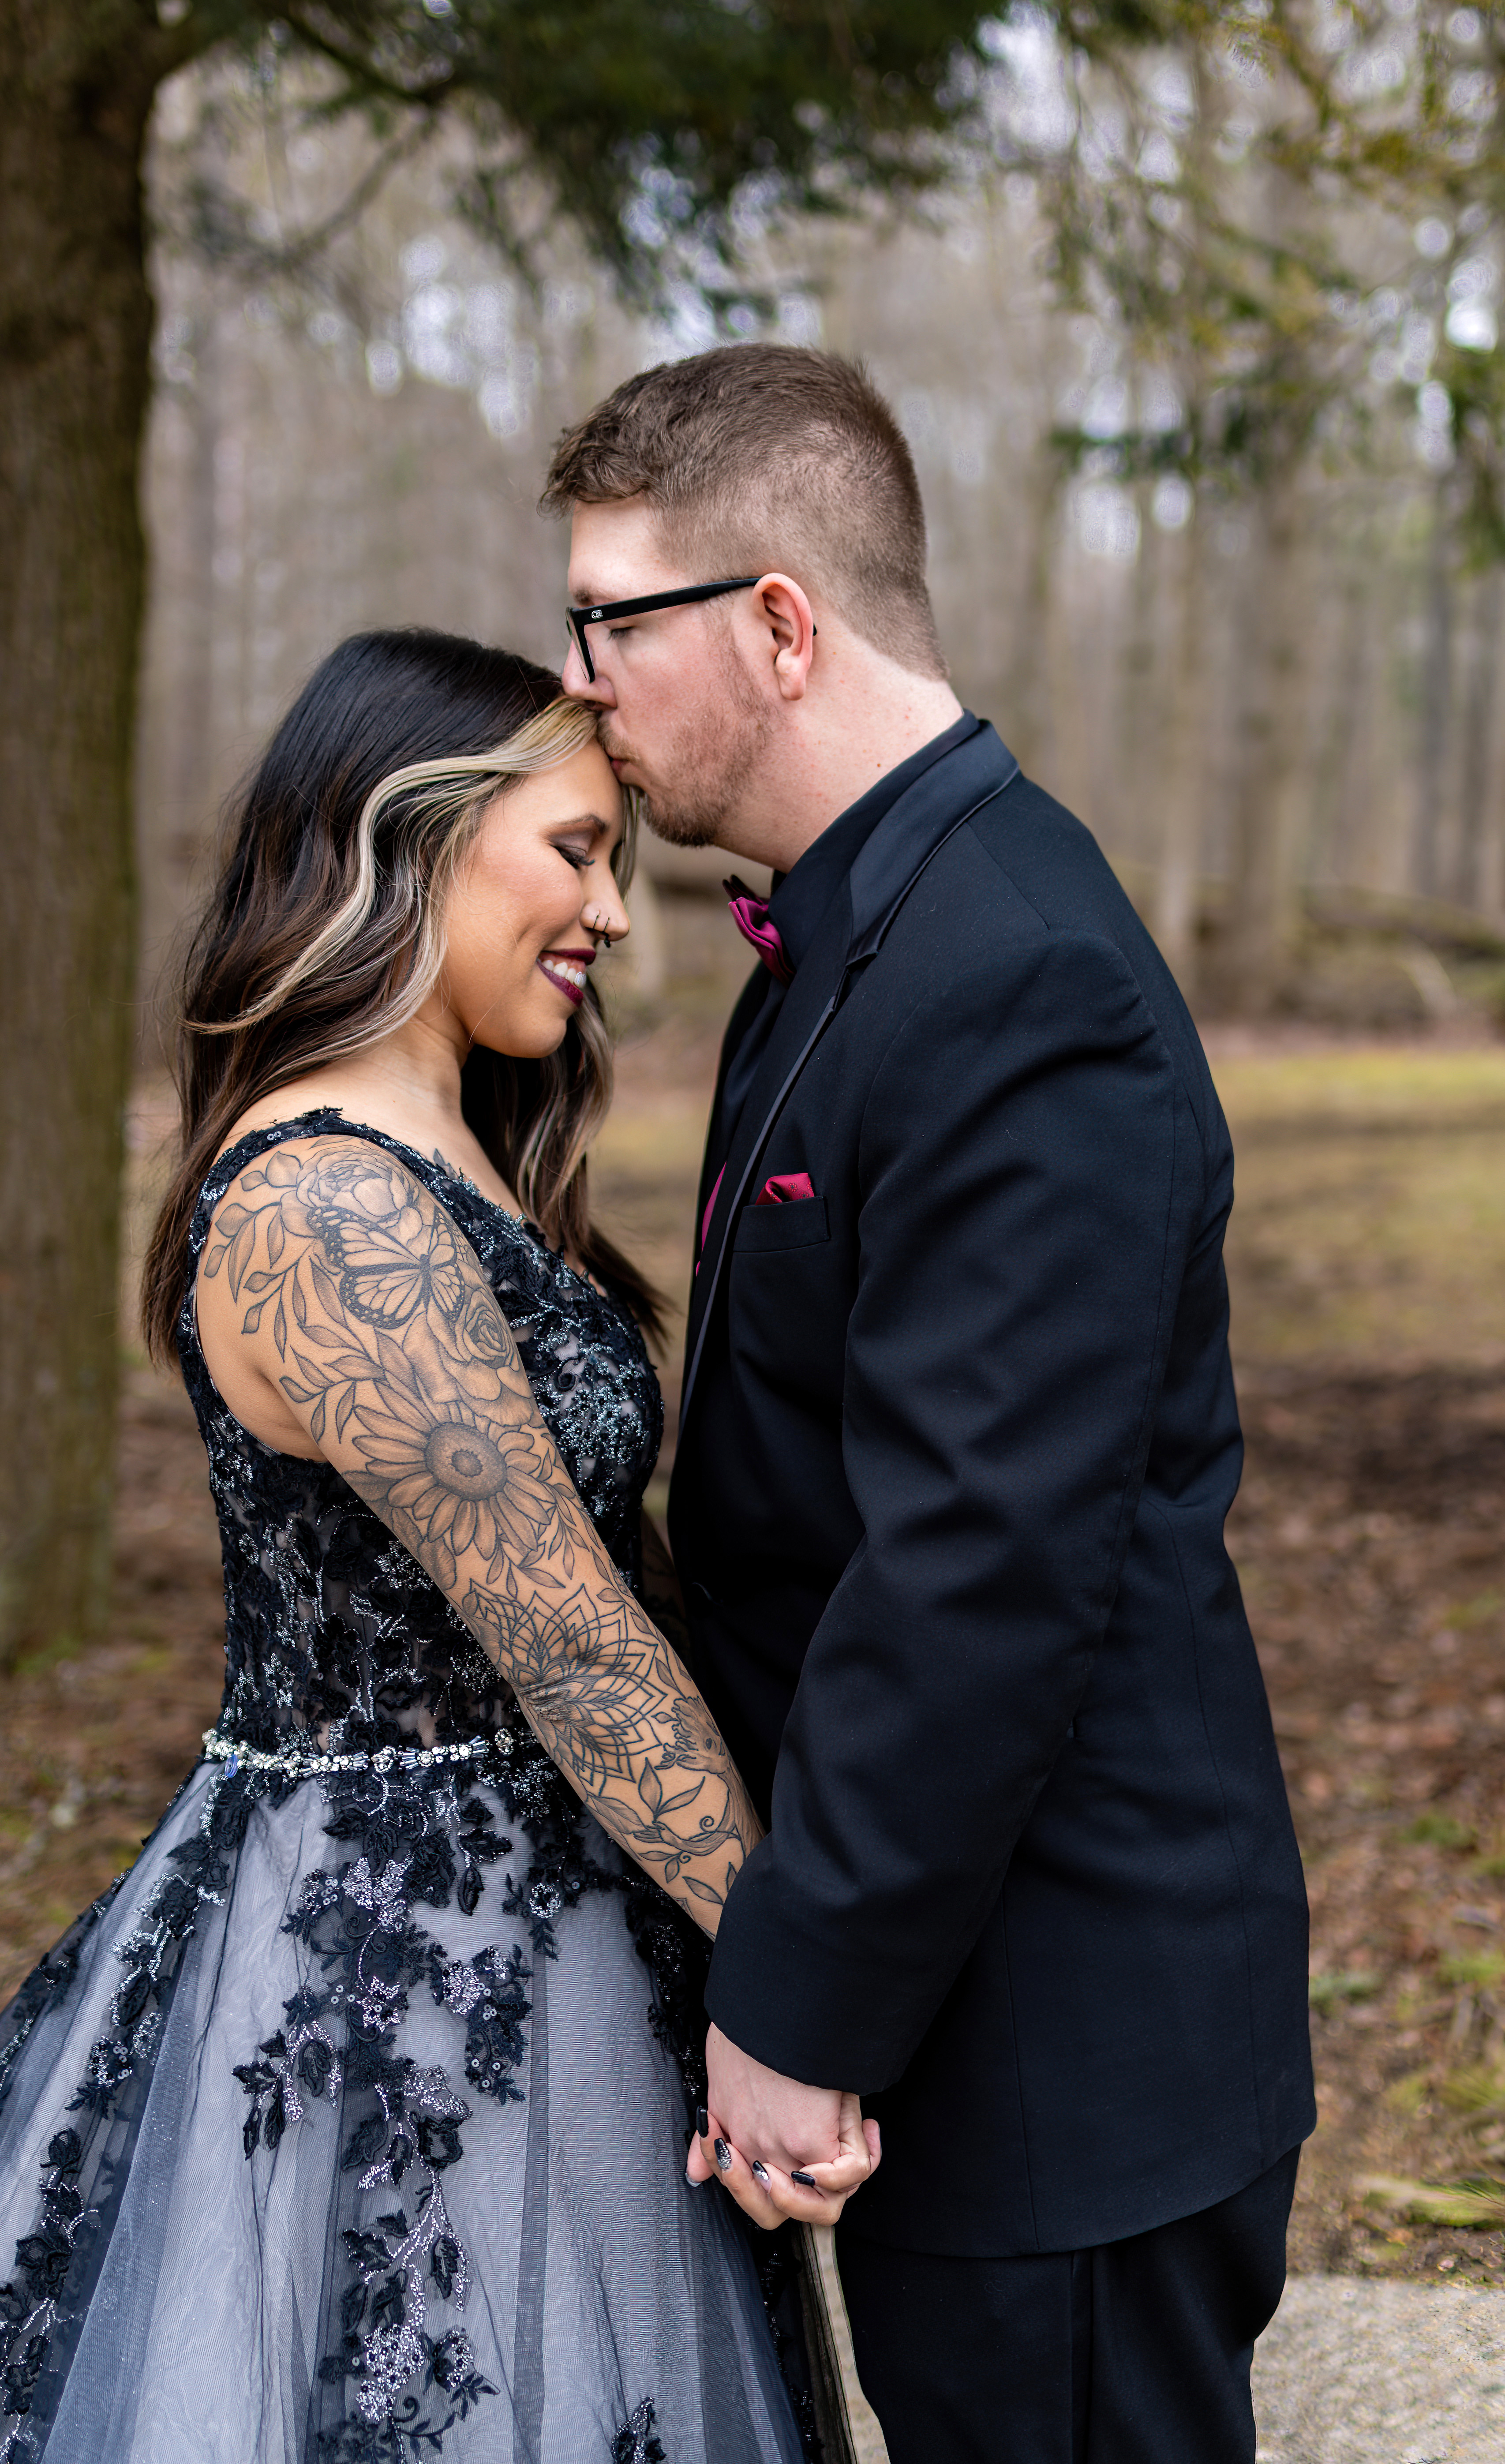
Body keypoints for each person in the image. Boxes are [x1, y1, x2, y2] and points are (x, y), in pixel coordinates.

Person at [0, 630, 865, 2463]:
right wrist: (805, 1974)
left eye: (618, 861)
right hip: (410, 1983)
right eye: (571, 849)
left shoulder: (450, 1149)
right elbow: (569, 1638)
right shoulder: (327, 1204)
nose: (612, 915)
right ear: (408, 838)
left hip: (561, 1932)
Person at [543, 345, 1315, 2463]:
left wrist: (799, 2014)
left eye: (613, 618)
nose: (585, 676)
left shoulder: (1017, 974)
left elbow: (975, 1576)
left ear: (779, 625)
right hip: (959, 2005)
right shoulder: (858, 939)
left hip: (1064, 2044)